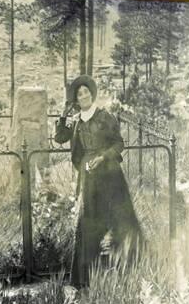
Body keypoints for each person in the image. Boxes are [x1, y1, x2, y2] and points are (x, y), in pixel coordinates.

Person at [55, 75, 143, 289]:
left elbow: (119, 144)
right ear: (76, 99)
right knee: (88, 224)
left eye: (85, 92)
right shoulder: (76, 121)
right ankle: (87, 279)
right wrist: (63, 116)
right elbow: (59, 138)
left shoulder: (105, 117)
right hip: (89, 179)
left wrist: (103, 157)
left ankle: (128, 271)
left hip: (111, 177)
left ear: (91, 94)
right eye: (79, 94)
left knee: (120, 220)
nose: (83, 95)